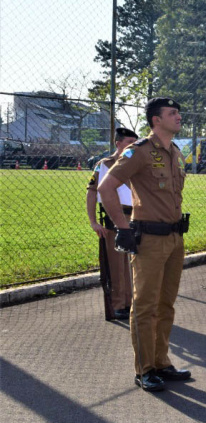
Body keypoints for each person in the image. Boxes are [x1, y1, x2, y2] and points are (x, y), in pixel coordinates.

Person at [99, 97, 191, 392]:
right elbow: (106, 187)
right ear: (156, 120)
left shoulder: (175, 152)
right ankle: (145, 369)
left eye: (178, 112)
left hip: (175, 238)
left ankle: (161, 361)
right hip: (149, 239)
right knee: (145, 305)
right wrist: (121, 228)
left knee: (166, 303)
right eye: (172, 113)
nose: (178, 117)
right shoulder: (138, 152)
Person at [86, 126, 138, 320]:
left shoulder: (137, 163)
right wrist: (93, 221)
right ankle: (118, 304)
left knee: (134, 264)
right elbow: (91, 193)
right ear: (118, 143)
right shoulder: (104, 165)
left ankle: (132, 302)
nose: (132, 146)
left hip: (136, 217)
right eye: (129, 143)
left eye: (134, 143)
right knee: (116, 265)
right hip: (113, 218)